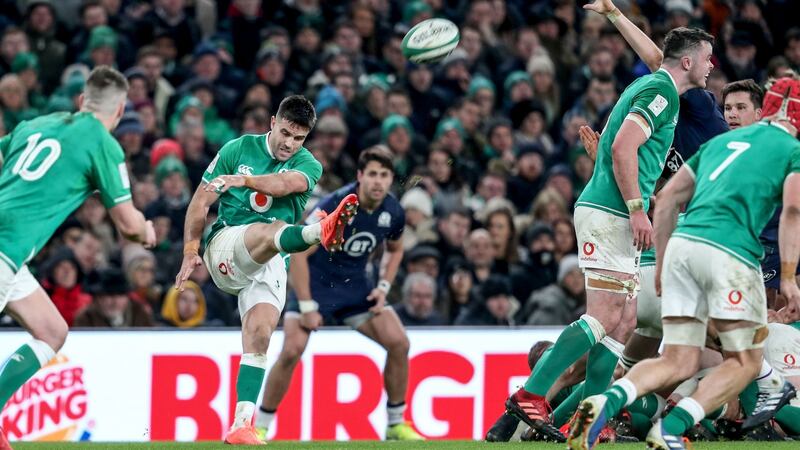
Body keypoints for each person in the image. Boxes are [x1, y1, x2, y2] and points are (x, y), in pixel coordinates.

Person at [506, 17, 715, 439]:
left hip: (614, 211)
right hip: (612, 213)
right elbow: (624, 147)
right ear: (689, 61)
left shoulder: (657, 88)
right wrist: (639, 209)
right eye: (708, 59)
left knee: (624, 322)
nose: (712, 67)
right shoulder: (661, 93)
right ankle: (531, 393)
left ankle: (591, 419)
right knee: (604, 317)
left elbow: (620, 148)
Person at [568, 75, 800, 450]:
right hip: (731, 255)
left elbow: (670, 198)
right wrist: (787, 276)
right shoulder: (790, 150)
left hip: (681, 251)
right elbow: (792, 211)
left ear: (766, 109)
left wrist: (661, 267)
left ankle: (604, 401)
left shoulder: (719, 144)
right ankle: (671, 427)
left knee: (679, 360)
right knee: (743, 362)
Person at [175, 95, 359, 445]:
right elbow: (201, 200)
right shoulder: (237, 149)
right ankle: (318, 232)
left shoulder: (310, 166)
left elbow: (285, 184)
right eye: (286, 133)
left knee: (259, 335)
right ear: (273, 121)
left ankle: (241, 425)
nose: (290, 143)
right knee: (272, 228)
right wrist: (189, 249)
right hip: (226, 245)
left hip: (272, 261)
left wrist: (244, 182)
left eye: (299, 138)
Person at [0, 65, 156, 447]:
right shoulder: (102, 142)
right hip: (3, 249)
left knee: (52, 330)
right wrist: (147, 230)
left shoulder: (40, 124)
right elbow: (128, 224)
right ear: (119, 112)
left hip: (11, 256)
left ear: (82, 100)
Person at [255, 146, 424, 441]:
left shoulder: (394, 211)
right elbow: (298, 255)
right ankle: (261, 426)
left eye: (384, 175)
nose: (378, 181)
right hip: (315, 287)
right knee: (291, 350)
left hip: (355, 290)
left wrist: (383, 287)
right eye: (372, 174)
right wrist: (307, 305)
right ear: (359, 176)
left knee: (399, 343)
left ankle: (395, 424)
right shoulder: (336, 203)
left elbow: (396, 250)